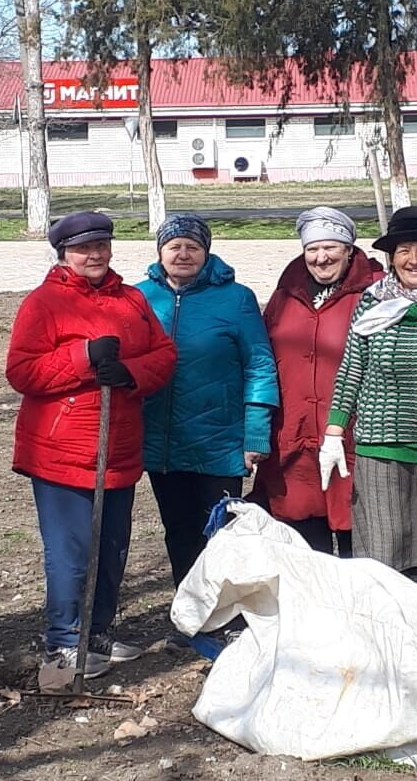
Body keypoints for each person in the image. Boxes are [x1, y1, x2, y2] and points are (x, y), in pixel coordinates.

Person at [6, 211, 176, 679]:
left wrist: (130, 374)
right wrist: (83, 357)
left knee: (112, 547)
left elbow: (163, 355)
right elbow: (23, 372)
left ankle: (97, 631)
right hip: (62, 451)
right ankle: (63, 641)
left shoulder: (133, 300)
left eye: (101, 245)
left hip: (117, 445)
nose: (94, 255)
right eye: (83, 248)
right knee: (71, 551)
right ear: (64, 253)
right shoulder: (43, 303)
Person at [321, 206, 417, 597]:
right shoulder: (371, 304)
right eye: (404, 250)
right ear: (391, 258)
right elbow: (352, 369)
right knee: (384, 561)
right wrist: (334, 432)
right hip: (382, 449)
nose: (414, 259)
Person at [137, 214, 279, 588]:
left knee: (220, 531)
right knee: (178, 530)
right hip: (162, 440)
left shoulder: (237, 299)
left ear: (207, 252)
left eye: (193, 247)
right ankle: (190, 611)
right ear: (160, 252)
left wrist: (256, 434)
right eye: (174, 246)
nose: (183, 254)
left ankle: (226, 613)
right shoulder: (139, 297)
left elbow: (260, 365)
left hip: (219, 439)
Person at [252, 207, 382, 556]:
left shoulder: (375, 293)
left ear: (350, 250)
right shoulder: (285, 295)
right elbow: (263, 359)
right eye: (312, 249)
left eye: (331, 248)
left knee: (361, 540)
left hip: (354, 437)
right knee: (305, 546)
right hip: (295, 438)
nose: (321, 258)